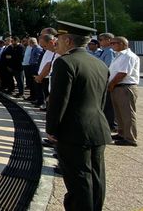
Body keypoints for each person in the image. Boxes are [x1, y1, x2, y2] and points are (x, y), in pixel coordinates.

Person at [46, 20, 111, 211]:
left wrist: (52, 129)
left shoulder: (64, 63)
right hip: (97, 128)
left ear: (67, 40)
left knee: (79, 181)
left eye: (58, 39)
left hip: (74, 132)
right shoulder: (99, 64)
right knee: (97, 179)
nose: (55, 42)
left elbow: (59, 101)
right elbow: (102, 100)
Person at [107, 36, 140, 146]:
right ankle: (122, 133)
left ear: (121, 44)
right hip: (118, 87)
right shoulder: (119, 56)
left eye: (113, 43)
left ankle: (130, 138)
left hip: (125, 87)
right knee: (119, 113)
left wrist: (111, 84)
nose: (111, 45)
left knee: (127, 114)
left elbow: (123, 73)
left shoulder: (128, 56)